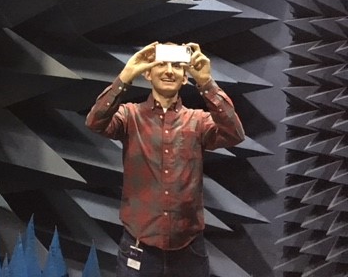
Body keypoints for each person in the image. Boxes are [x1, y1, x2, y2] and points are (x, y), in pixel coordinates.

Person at [86, 41, 245, 277]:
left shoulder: (198, 120)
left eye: (177, 66)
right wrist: (125, 76)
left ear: (184, 77)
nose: (169, 71)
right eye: (162, 64)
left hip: (188, 251)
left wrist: (206, 83)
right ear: (148, 72)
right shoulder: (130, 116)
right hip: (138, 247)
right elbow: (94, 122)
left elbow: (235, 134)